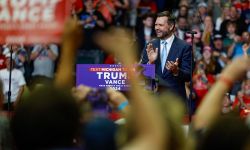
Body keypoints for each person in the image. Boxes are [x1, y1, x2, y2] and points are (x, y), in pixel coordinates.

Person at [140, 11, 192, 100]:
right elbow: (144, 76)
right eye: (156, 25)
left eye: (160, 25)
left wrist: (176, 71)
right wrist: (150, 63)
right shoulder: (150, 45)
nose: (156, 28)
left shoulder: (184, 47)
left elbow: (188, 76)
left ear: (171, 26)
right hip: (154, 100)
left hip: (175, 101)